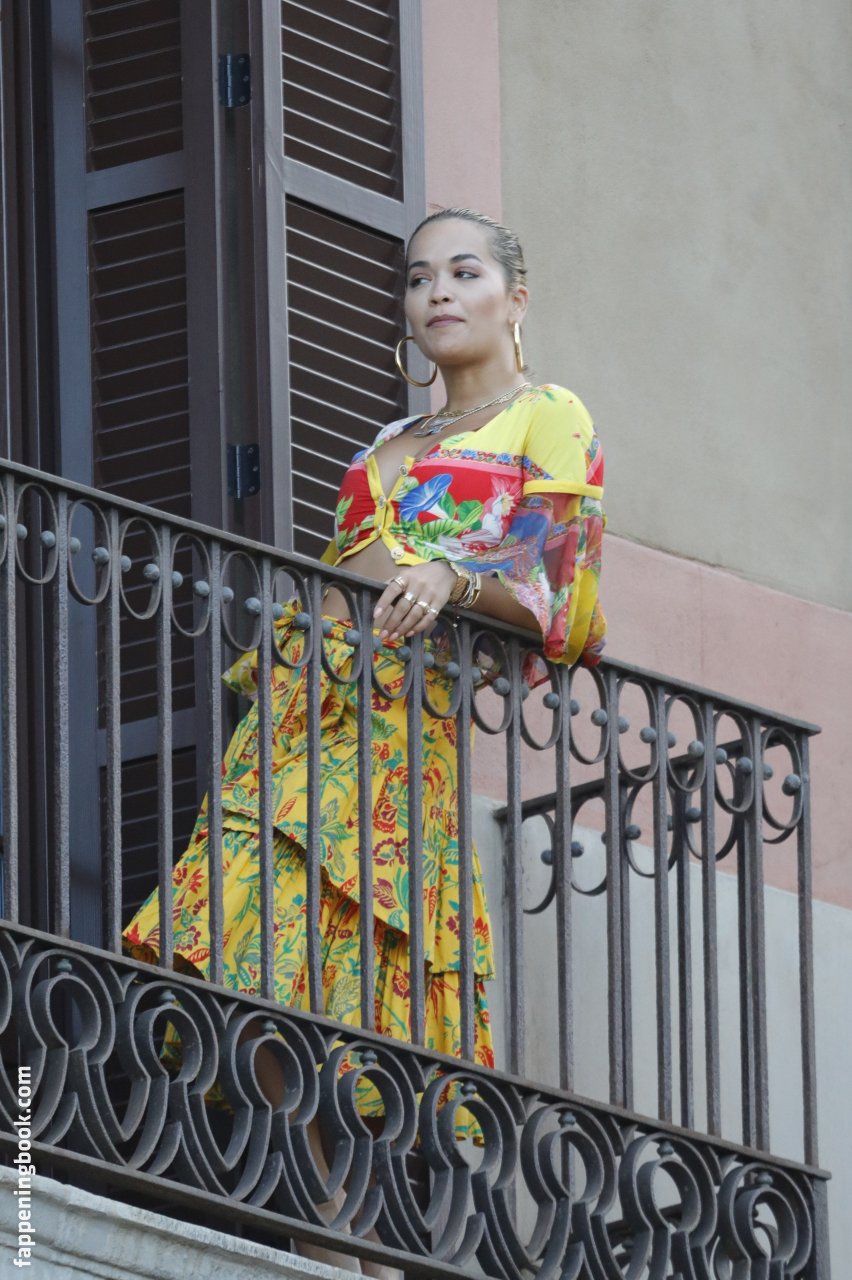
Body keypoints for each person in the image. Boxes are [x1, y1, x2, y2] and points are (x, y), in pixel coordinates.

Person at [123, 208, 606, 1274]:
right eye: (418, 278)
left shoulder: (547, 415)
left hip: (398, 726)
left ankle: (358, 1240)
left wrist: (454, 579)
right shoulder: (382, 445)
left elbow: (560, 587)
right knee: (241, 938)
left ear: (515, 300)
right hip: (300, 707)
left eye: (464, 273)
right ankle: (324, 1219)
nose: (436, 293)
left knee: (362, 968)